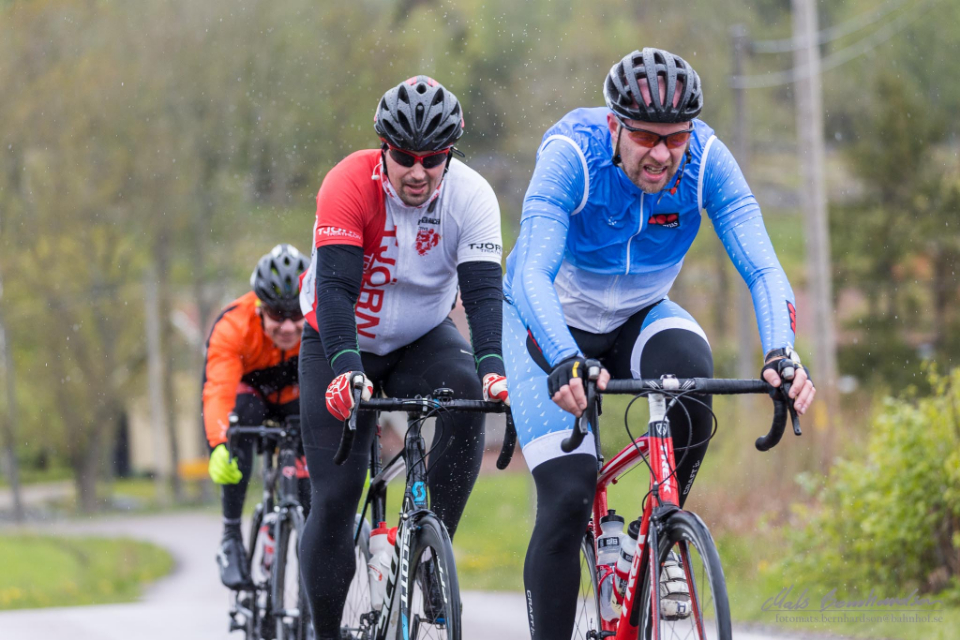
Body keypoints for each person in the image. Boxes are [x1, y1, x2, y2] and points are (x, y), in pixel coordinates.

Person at [502, 48, 817, 639]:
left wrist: (781, 353)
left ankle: (658, 534)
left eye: (675, 138)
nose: (662, 154)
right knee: (568, 497)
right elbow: (531, 276)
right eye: (646, 137)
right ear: (614, 126)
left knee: (693, 379)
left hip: (639, 313)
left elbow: (764, 269)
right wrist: (564, 356)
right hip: (547, 320)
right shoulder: (571, 154)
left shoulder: (707, 161)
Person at [297, 75, 510, 640]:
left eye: (432, 159)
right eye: (405, 158)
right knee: (337, 497)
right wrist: (347, 370)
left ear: (449, 155)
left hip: (421, 337)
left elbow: (483, 295)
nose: (418, 171)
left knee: (468, 395)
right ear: (383, 150)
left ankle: (429, 553)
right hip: (338, 341)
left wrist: (494, 369)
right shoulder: (347, 182)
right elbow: (335, 290)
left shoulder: (471, 197)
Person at [203, 243, 309, 589]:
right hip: (251, 396)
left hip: (294, 397)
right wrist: (219, 444)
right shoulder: (234, 324)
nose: (289, 326)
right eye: (278, 315)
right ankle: (231, 535)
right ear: (260, 307)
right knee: (240, 423)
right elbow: (218, 391)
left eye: (297, 314)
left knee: (311, 434)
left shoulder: (323, 320)